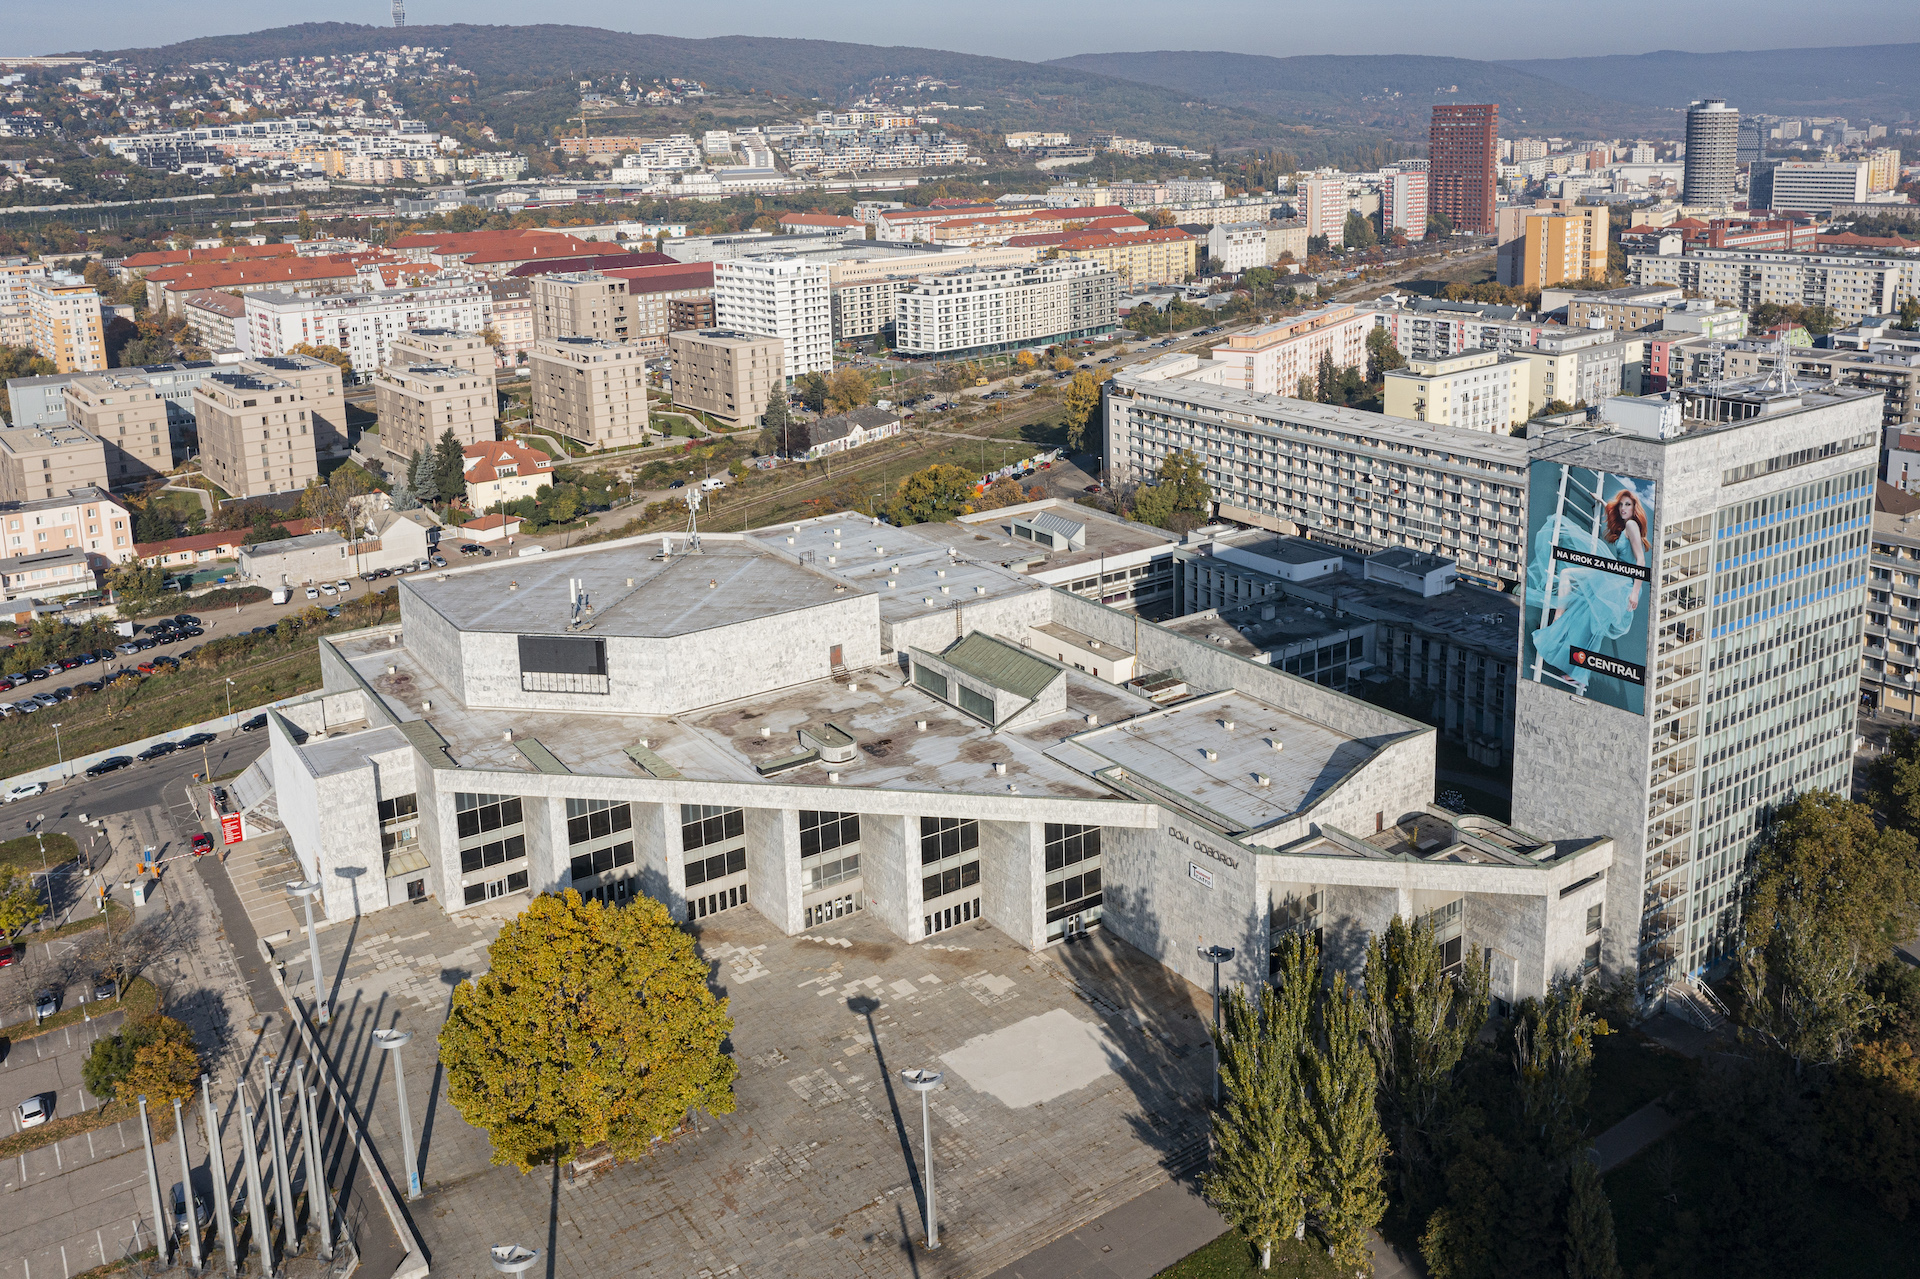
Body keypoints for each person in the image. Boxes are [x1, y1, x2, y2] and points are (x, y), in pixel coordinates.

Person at [1527, 486, 1649, 696]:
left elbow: (1641, 559)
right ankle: (1579, 672)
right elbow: (1615, 510)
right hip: (1617, 578)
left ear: (1635, 508)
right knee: (1592, 623)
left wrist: (1635, 592)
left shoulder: (1631, 525)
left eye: (1627, 504)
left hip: (1623, 584)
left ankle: (1559, 623)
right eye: (1621, 504)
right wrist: (1603, 502)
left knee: (1572, 583)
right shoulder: (1625, 525)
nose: (1623, 508)